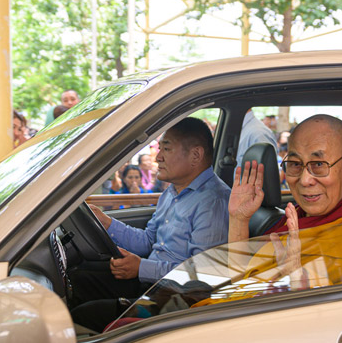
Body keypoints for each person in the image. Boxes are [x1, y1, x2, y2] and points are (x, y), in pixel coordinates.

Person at [71, 117, 231, 328]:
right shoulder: (171, 192)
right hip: (149, 282)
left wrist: (142, 268)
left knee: (84, 315)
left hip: (172, 298)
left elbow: (200, 276)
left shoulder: (214, 201)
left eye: (166, 148)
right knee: (77, 279)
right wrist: (107, 222)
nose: (158, 157)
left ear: (195, 155)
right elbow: (148, 241)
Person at [214, 114, 342, 303]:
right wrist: (239, 219)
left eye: (319, 164)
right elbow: (241, 284)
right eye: (295, 164)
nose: (304, 180)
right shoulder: (296, 218)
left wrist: (297, 284)